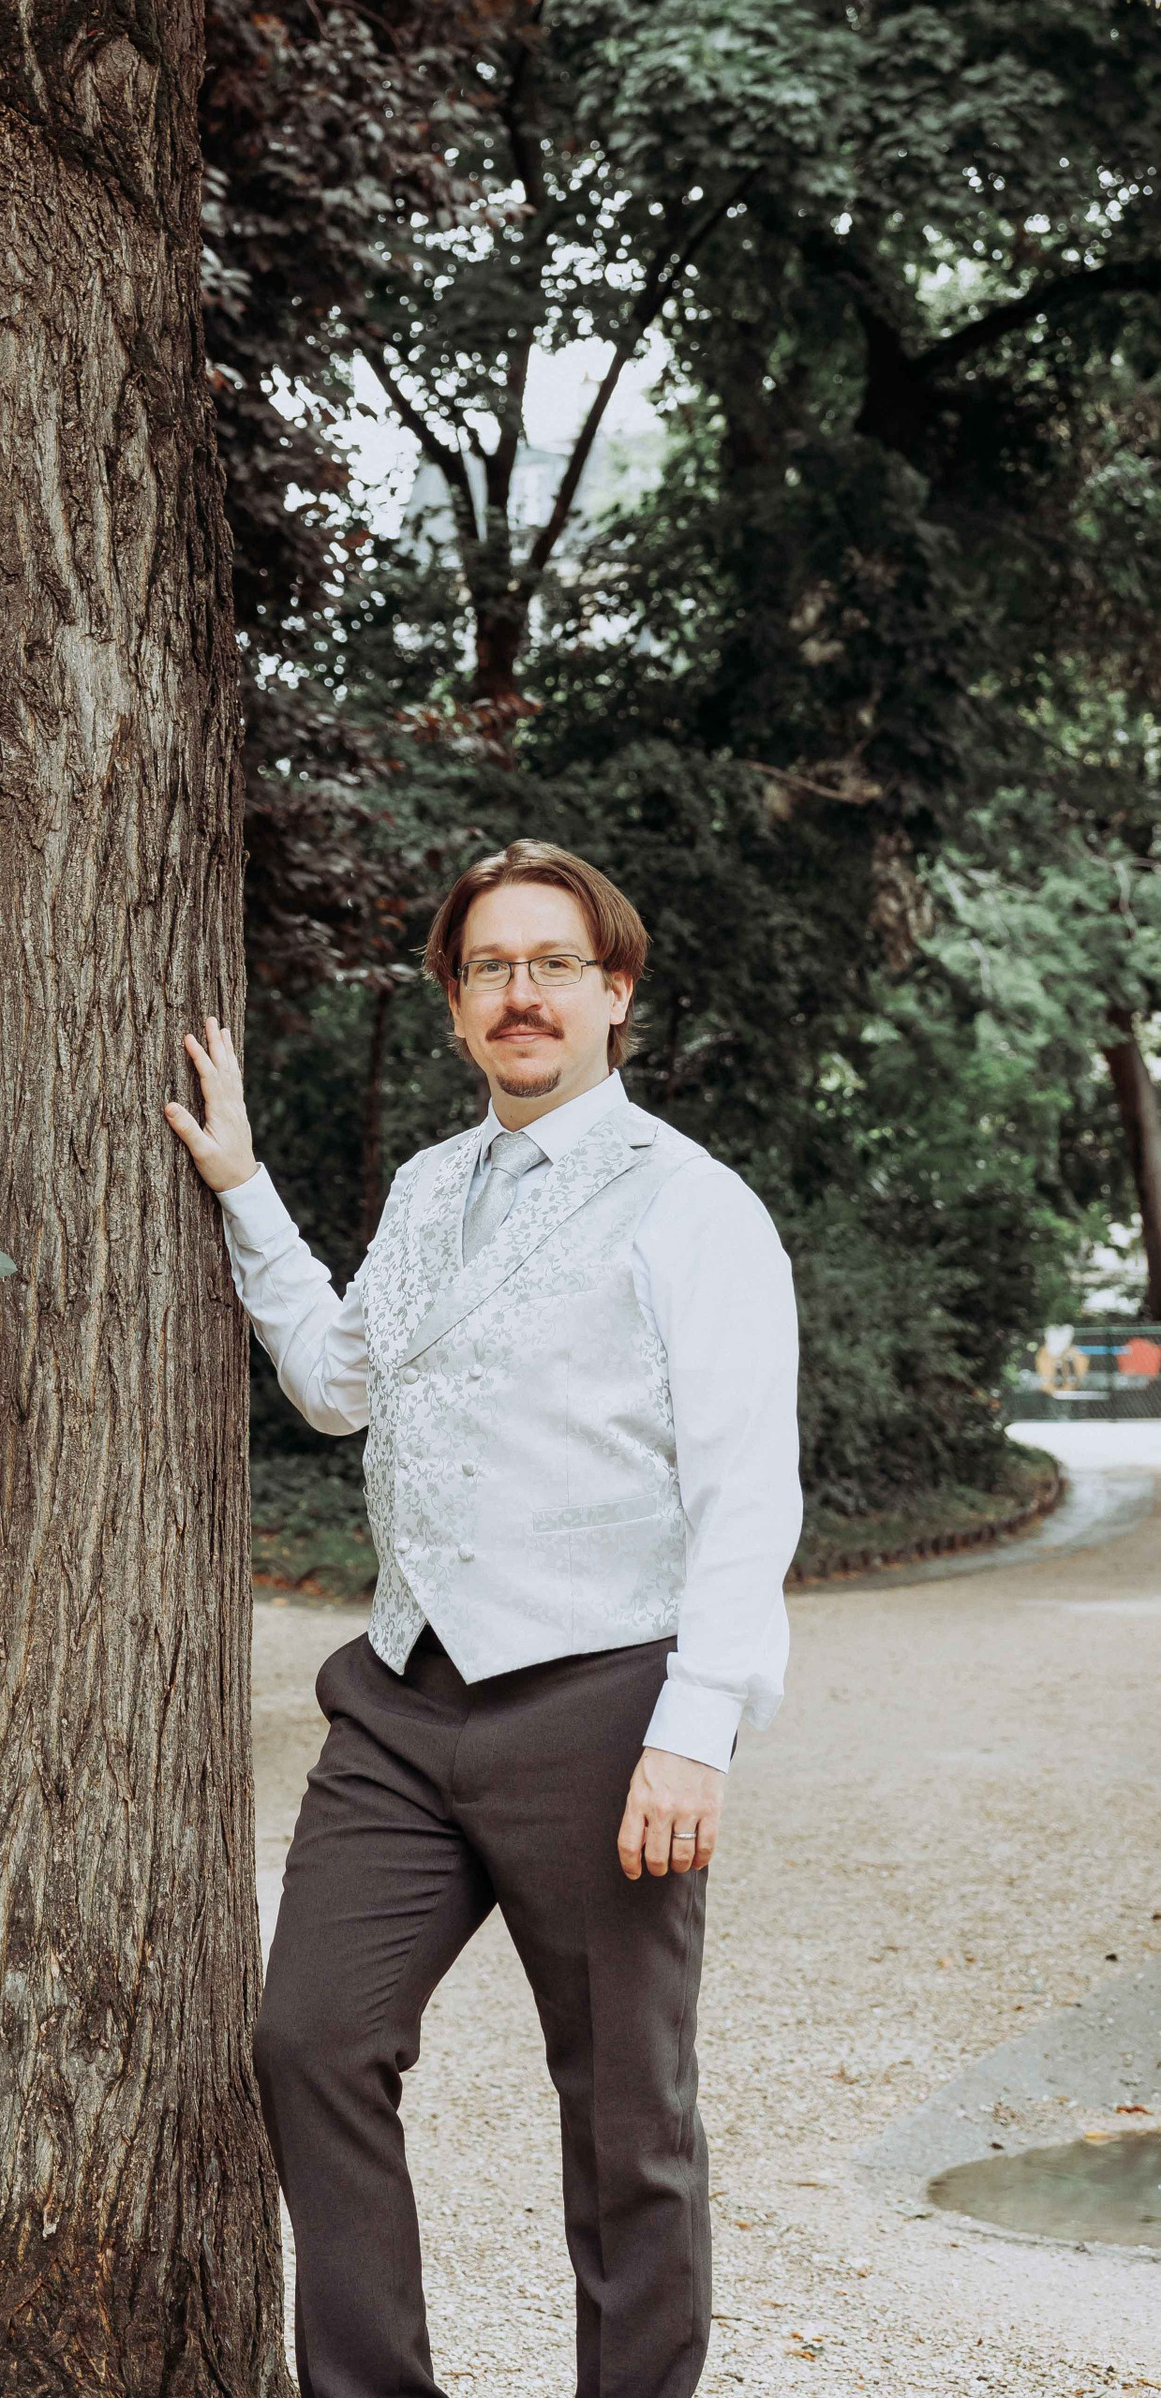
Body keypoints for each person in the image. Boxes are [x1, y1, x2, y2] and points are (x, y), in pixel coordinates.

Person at [165, 839, 799, 2398]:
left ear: (614, 994)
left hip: (600, 1700)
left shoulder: (692, 1210)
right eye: (490, 970)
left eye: (553, 966)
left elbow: (745, 1488)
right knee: (311, 2041)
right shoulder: (430, 1187)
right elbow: (336, 1386)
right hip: (401, 1695)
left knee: (626, 2121)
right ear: (455, 1008)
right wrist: (244, 1190)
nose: (522, 996)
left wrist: (697, 1725)